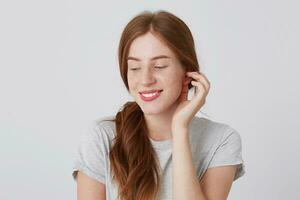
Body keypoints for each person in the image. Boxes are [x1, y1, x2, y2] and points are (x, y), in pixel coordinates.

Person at [72, 10, 246, 200]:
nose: (145, 80)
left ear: (187, 71)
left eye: (160, 66)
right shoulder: (102, 138)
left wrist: (180, 129)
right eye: (135, 68)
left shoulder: (221, 141)